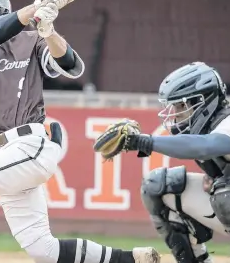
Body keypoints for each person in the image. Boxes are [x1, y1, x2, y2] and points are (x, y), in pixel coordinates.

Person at [0, 0, 160, 263]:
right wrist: (37, 5)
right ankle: (131, 259)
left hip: (30, 145)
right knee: (43, 250)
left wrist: (49, 31)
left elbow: (69, 65)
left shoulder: (31, 40)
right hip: (4, 156)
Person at [94, 62, 230, 263]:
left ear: (203, 100)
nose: (175, 113)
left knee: (223, 194)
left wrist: (142, 142)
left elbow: (205, 146)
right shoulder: (208, 126)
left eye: (181, 105)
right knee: (159, 186)